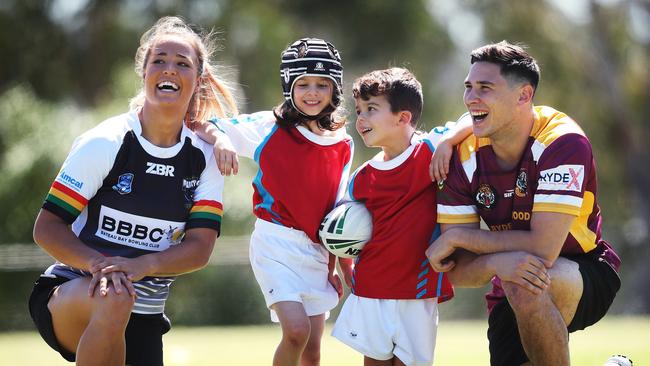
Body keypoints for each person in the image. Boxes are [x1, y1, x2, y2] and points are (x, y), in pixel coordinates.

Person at [28, 16, 238, 366]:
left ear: (197, 80)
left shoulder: (203, 158)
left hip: (144, 313)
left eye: (182, 64)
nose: (169, 69)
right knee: (115, 296)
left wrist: (143, 264)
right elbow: (46, 228)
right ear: (144, 72)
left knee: (122, 299)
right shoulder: (105, 142)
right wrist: (101, 266)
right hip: (74, 292)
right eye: (159, 61)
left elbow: (200, 248)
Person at [426, 41, 621, 366]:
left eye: (485, 88)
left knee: (522, 278)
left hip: (585, 270)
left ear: (523, 95)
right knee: (518, 277)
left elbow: (543, 248)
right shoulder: (459, 156)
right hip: (511, 282)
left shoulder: (563, 142)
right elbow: (458, 269)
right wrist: (492, 264)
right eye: (469, 87)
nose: (471, 98)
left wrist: (459, 237)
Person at [195, 38, 354, 366]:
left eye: (321, 84)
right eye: (303, 84)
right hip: (275, 245)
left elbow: (337, 213)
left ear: (334, 89)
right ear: (288, 86)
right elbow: (204, 125)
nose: (312, 92)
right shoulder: (269, 127)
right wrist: (222, 140)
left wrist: (343, 266)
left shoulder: (344, 143)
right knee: (295, 332)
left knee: (311, 350)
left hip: (317, 252)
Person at [330, 67, 471, 366]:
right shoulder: (361, 178)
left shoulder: (431, 150)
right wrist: (345, 267)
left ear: (403, 117)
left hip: (416, 293)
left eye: (371, 109)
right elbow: (339, 231)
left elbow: (472, 119)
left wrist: (449, 142)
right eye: (359, 110)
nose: (361, 118)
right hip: (371, 290)